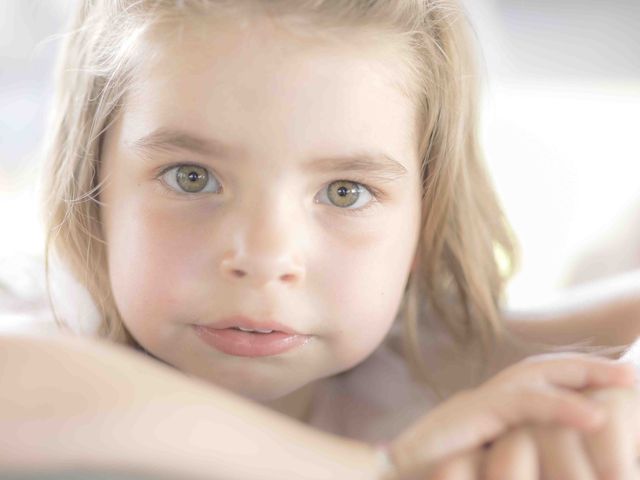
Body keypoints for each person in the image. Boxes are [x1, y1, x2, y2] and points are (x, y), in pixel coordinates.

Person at [1, 1, 639, 479]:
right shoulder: (53, 323)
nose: (264, 258)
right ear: (92, 191)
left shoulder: (423, 360)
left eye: (345, 192)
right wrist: (377, 467)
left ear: (423, 221)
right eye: (191, 178)